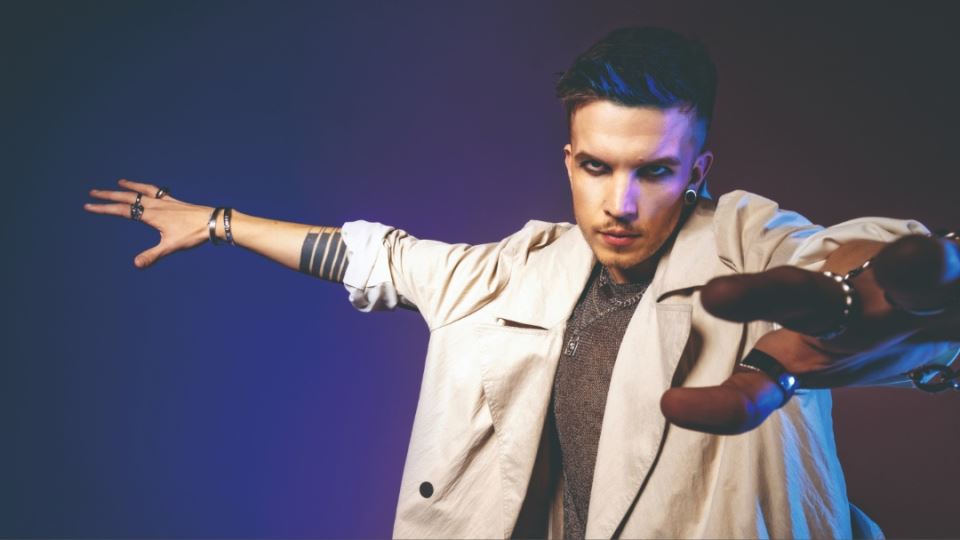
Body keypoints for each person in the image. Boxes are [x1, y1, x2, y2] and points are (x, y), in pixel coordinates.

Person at [84, 27, 958, 539]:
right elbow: (367, 257)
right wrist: (219, 221)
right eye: (597, 166)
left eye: (654, 171)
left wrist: (874, 298)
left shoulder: (747, 247)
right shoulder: (511, 271)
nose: (620, 203)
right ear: (569, 159)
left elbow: (832, 265)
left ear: (698, 170)